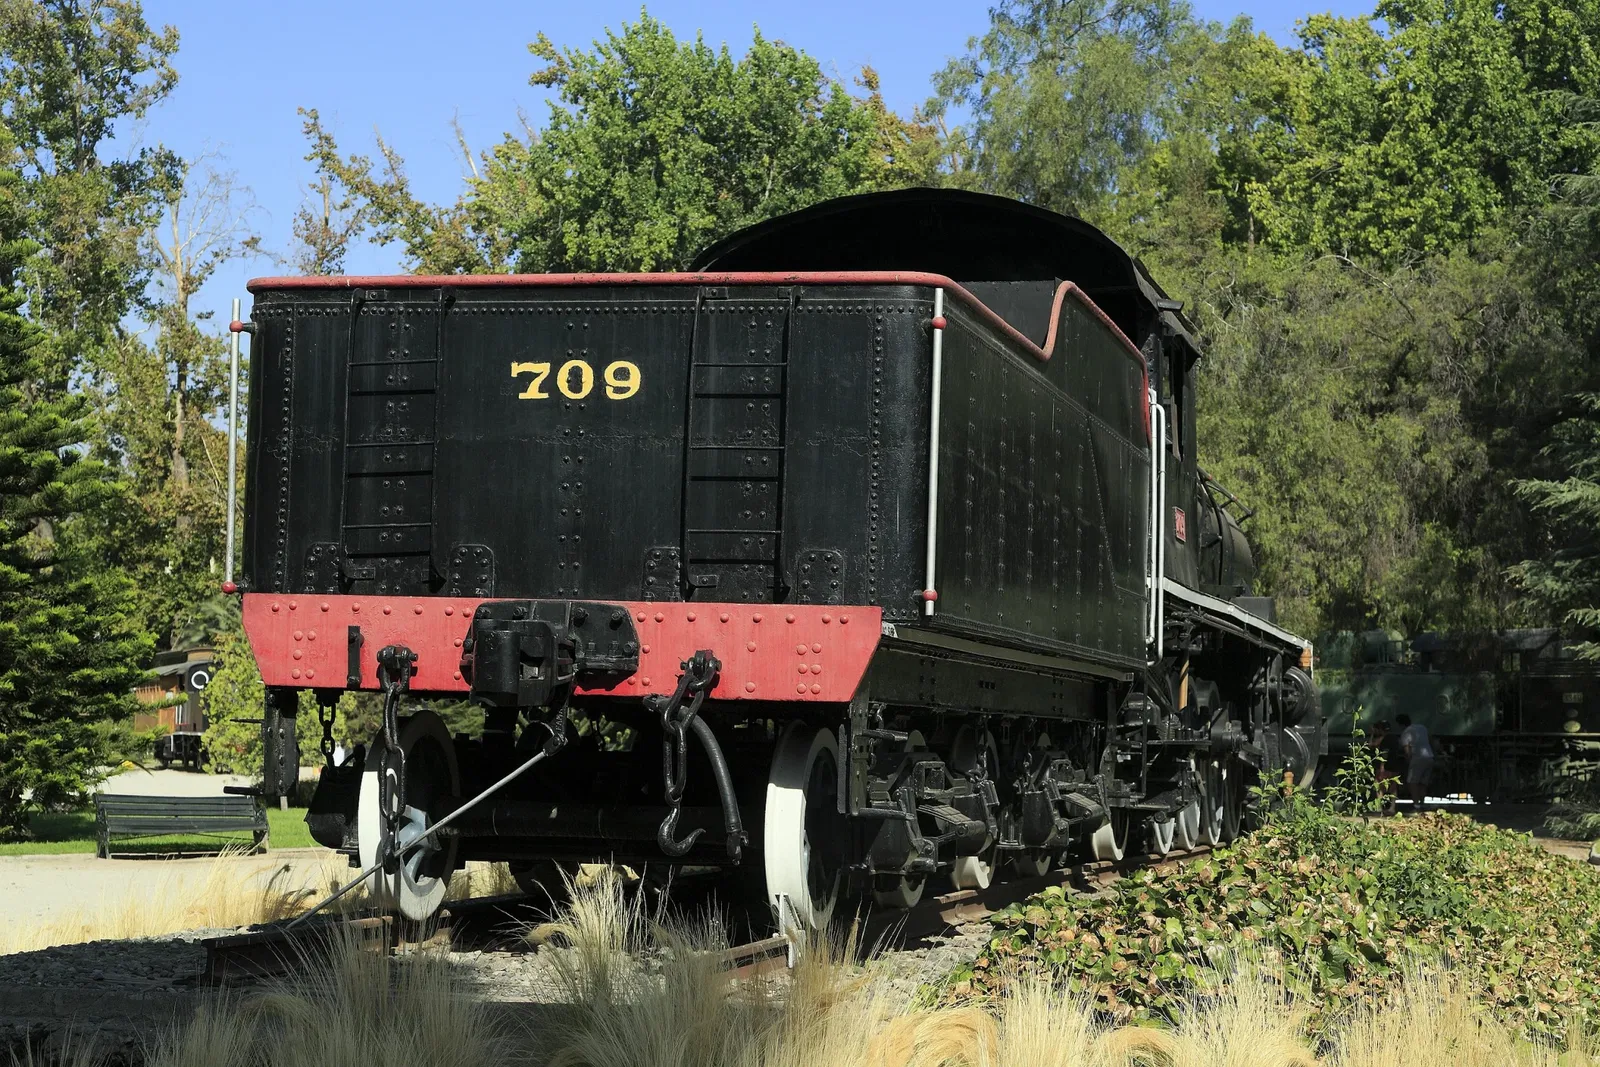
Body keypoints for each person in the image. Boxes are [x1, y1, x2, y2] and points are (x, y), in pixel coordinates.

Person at [1395, 714, 1433, 812]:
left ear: (1401, 725)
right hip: (1429, 756)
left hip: (1418, 758)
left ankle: (1416, 805)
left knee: (1412, 782)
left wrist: (1408, 762)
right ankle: (1422, 803)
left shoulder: (1405, 733)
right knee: (1423, 782)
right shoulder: (1422, 727)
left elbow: (1407, 751)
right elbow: (1430, 739)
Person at [1368, 720, 1402, 815]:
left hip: (1385, 767)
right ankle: (1392, 808)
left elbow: (1372, 746)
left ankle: (1379, 807)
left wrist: (1382, 766)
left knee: (1378, 785)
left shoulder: (1384, 739)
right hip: (1394, 766)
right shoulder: (1394, 738)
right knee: (1393, 788)